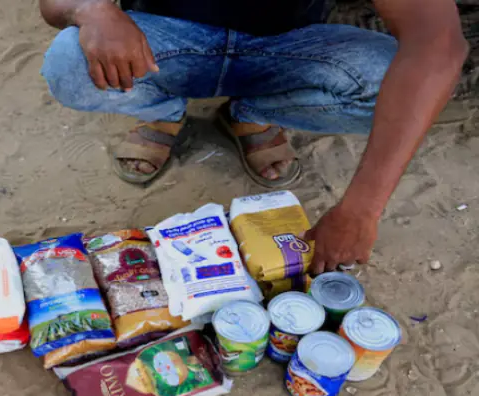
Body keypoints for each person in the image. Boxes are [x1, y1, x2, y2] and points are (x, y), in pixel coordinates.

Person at [39, 0, 468, 273]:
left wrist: (361, 211)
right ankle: (164, 111)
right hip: (166, 42)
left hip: (286, 49)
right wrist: (92, 10)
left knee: (398, 83)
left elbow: (438, 42)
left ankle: (251, 114)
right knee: (69, 61)